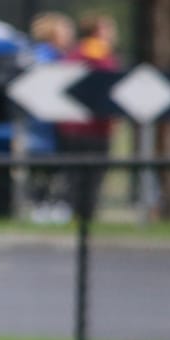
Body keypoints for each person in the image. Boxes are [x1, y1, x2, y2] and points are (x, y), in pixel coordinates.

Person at [56, 11, 121, 221]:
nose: (112, 33)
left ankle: (77, 216)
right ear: (98, 31)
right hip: (96, 129)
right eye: (108, 28)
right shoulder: (101, 55)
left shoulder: (73, 54)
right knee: (92, 178)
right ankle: (86, 218)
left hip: (70, 128)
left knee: (74, 177)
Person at [26, 11, 76, 223]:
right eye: (64, 30)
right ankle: (41, 205)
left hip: (57, 127)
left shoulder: (62, 58)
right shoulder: (43, 57)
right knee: (43, 169)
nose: (69, 34)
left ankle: (53, 204)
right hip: (43, 128)